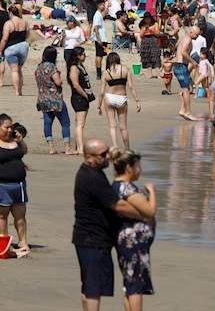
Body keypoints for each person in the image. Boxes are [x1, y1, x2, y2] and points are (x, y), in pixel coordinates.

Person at [73, 138, 143, 311]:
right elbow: (118, 205)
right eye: (103, 155)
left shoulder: (92, 171)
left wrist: (113, 153)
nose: (107, 157)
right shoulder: (91, 177)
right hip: (92, 239)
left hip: (89, 238)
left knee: (89, 286)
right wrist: (145, 213)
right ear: (89, 157)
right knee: (93, 289)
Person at [109, 148, 156, 311]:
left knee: (129, 283)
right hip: (133, 242)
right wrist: (152, 192)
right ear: (129, 168)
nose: (140, 170)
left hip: (128, 241)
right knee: (135, 284)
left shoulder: (117, 186)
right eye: (138, 166)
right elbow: (149, 211)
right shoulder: (126, 188)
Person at [35, 46, 74, 154]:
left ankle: (51, 148)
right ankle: (67, 148)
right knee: (65, 123)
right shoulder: (51, 67)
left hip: (43, 99)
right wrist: (61, 82)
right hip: (55, 99)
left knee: (47, 123)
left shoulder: (39, 67)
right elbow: (57, 82)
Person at [0, 113, 29, 258]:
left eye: (11, 127)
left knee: (20, 216)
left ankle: (23, 242)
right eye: (7, 127)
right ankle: (5, 243)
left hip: (19, 185)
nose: (10, 130)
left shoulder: (15, 141)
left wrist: (21, 141)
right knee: (2, 216)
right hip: (2, 185)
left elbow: (24, 151)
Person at [98, 53, 141, 149]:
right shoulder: (125, 69)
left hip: (109, 98)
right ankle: (127, 148)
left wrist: (99, 105)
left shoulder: (106, 72)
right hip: (121, 98)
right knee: (123, 127)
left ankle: (115, 146)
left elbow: (102, 92)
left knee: (112, 125)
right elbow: (130, 86)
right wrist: (137, 101)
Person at [68, 47, 95, 155]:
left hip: (82, 98)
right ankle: (80, 148)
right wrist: (85, 95)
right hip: (78, 98)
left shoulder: (80, 66)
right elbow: (75, 84)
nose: (85, 56)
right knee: (80, 124)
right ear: (78, 55)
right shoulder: (74, 68)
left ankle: (76, 147)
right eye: (83, 54)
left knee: (79, 123)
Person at [0, 4, 29, 96]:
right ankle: (20, 91)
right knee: (19, 70)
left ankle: (16, 91)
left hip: (11, 48)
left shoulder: (9, 23)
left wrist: (0, 50)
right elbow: (28, 35)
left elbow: (4, 39)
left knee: (14, 70)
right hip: (23, 46)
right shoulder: (24, 22)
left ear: (11, 12)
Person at [174, 24, 200, 120]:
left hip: (179, 65)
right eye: (196, 35)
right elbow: (183, 52)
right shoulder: (188, 39)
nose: (197, 37)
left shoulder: (184, 38)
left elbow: (177, 47)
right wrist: (193, 62)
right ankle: (188, 112)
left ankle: (182, 110)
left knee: (186, 89)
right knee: (186, 90)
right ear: (191, 32)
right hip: (180, 66)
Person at [91, 0, 109, 80]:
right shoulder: (97, 15)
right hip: (100, 38)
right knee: (99, 56)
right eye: (102, 5)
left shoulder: (99, 14)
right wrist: (99, 39)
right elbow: (96, 28)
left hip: (102, 38)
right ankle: (99, 73)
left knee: (101, 55)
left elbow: (104, 13)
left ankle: (100, 72)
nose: (103, 6)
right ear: (98, 5)